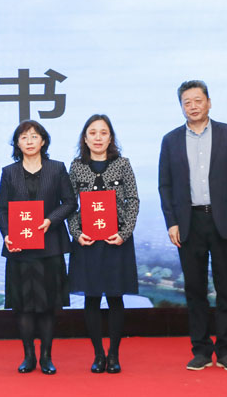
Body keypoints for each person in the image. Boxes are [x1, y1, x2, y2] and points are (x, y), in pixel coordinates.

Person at [158, 80, 227, 372]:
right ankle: (200, 350)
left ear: (209, 102)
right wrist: (172, 222)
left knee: (226, 288)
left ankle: (225, 351)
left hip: (224, 221)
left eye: (198, 100)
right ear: (181, 106)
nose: (193, 106)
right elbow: (165, 185)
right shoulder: (170, 140)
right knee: (194, 289)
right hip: (189, 222)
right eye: (187, 102)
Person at [0, 120, 75, 375]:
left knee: (48, 306)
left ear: (43, 141)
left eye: (34, 136)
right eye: (23, 137)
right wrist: (7, 234)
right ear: (17, 144)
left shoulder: (57, 168)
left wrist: (50, 220)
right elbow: (1, 209)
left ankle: (46, 357)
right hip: (20, 249)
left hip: (49, 246)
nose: (29, 141)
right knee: (23, 306)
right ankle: (28, 356)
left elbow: (70, 202)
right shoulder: (9, 172)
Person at [67, 114, 139, 374]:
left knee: (115, 297)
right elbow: (69, 204)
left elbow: (132, 200)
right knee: (92, 298)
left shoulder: (123, 164)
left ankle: (114, 354)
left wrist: (124, 232)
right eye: (93, 133)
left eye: (103, 133)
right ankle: (98, 355)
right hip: (87, 242)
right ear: (85, 139)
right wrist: (76, 233)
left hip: (116, 240)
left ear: (111, 138)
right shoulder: (76, 167)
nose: (98, 138)